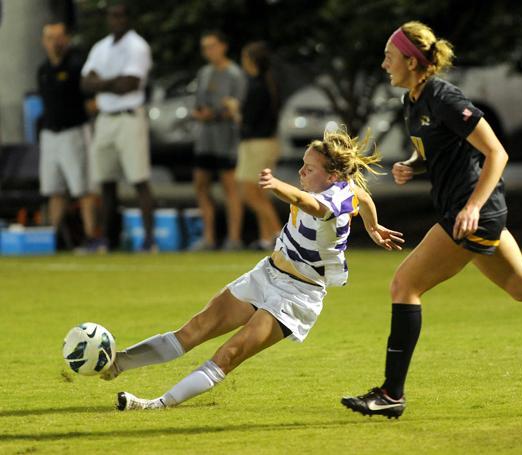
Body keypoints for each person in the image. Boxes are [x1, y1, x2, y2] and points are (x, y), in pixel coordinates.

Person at [340, 21, 522, 419]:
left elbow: (497, 153)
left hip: (472, 214)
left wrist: (473, 207)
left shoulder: (445, 97)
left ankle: (391, 394)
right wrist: (414, 166)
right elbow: (441, 151)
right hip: (465, 210)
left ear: (412, 62)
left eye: (389, 57)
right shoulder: (412, 101)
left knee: (404, 284)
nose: (383, 65)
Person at [99, 129, 404, 411]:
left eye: (309, 169)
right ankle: (118, 363)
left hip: (297, 296)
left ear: (332, 176)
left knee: (228, 355)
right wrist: (373, 225)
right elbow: (362, 196)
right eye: (302, 164)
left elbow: (306, 201)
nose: (300, 172)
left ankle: (157, 405)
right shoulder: (343, 188)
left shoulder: (332, 198)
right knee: (193, 330)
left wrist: (276, 186)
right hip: (267, 274)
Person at [80, 1, 155, 252]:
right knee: (106, 181)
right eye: (113, 16)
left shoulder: (137, 46)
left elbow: (130, 84)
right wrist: (112, 83)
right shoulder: (100, 47)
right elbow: (84, 83)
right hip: (105, 118)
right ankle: (108, 239)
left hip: (128, 117)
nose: (117, 21)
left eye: (121, 16)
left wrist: (101, 82)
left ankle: (149, 239)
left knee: (139, 179)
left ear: (128, 19)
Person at [37, 21, 99, 250]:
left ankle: (91, 236)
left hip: (74, 132)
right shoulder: (43, 70)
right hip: (50, 134)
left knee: (82, 188)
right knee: (54, 190)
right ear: (44, 42)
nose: (55, 42)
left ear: (67, 39)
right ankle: (52, 238)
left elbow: (91, 100)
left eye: (59, 37)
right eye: (50, 38)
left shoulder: (76, 65)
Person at [191, 31, 247, 251]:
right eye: (205, 47)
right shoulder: (204, 73)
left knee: (230, 187)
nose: (209, 51)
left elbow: (237, 107)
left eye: (212, 46)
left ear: (223, 46)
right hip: (204, 139)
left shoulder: (234, 74)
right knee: (201, 185)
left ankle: (234, 238)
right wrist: (200, 114)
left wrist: (215, 115)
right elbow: (197, 104)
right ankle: (208, 236)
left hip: (226, 139)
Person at [236, 41, 283, 251]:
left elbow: (247, 121)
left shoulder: (256, 86)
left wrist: (234, 110)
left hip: (256, 144)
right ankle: (266, 238)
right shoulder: (269, 83)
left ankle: (278, 235)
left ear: (252, 61)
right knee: (260, 192)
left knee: (249, 193)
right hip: (268, 143)